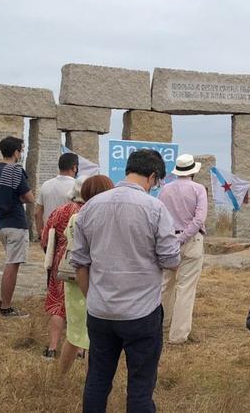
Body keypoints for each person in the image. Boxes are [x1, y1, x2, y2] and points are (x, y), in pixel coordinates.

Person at [71, 149, 181, 413]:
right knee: (140, 387)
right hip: (141, 312)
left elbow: (79, 263)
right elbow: (171, 260)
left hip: (99, 311)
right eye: (157, 182)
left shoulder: (91, 207)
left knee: (97, 380)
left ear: (128, 169)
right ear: (153, 177)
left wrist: (92, 298)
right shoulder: (155, 208)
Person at [59, 175, 115, 374]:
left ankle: (61, 376)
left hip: (74, 280)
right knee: (95, 337)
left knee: (74, 333)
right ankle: (93, 380)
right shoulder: (105, 218)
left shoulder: (77, 216)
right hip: (97, 280)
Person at [159, 154, 208, 345]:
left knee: (166, 284)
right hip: (191, 240)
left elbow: (161, 216)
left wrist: (173, 238)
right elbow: (199, 219)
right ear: (193, 171)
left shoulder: (165, 190)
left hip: (169, 239)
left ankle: (162, 324)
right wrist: (184, 237)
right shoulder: (198, 190)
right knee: (186, 288)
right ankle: (178, 335)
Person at [40, 175, 87, 360]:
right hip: (87, 264)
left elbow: (45, 239)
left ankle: (52, 348)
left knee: (58, 305)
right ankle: (81, 350)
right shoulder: (92, 211)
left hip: (63, 263)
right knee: (85, 307)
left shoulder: (60, 211)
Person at [0, 136, 34, 318]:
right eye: (21, 150)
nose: (21, 154)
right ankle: (7, 308)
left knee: (10, 263)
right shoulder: (15, 170)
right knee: (12, 265)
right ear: (16, 152)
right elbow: (29, 197)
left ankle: (4, 301)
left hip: (2, 222)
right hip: (15, 222)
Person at [35, 152, 79, 237]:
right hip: (70, 236)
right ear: (74, 168)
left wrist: (41, 234)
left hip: (49, 234)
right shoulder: (77, 186)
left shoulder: (46, 185)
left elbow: (37, 213)